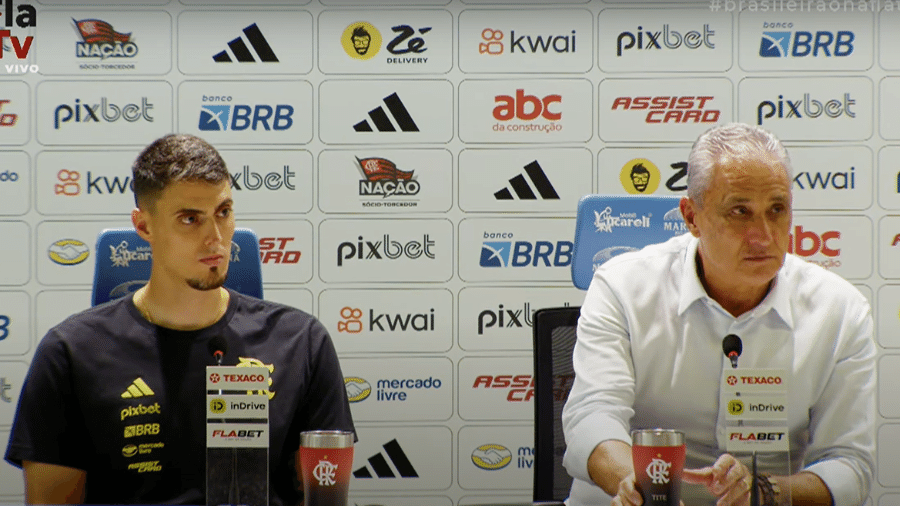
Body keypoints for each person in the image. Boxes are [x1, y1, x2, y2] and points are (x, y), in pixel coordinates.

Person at [4, 134, 355, 505]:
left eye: (223, 212)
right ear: (144, 227)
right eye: (190, 219)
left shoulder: (301, 341)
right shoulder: (70, 353)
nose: (216, 239)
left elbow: (324, 497)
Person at [561, 123, 875, 506]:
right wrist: (639, 484)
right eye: (739, 212)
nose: (763, 235)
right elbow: (592, 418)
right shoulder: (622, 287)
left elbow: (850, 466)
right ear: (692, 217)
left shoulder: (840, 310)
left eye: (777, 210)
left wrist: (763, 493)